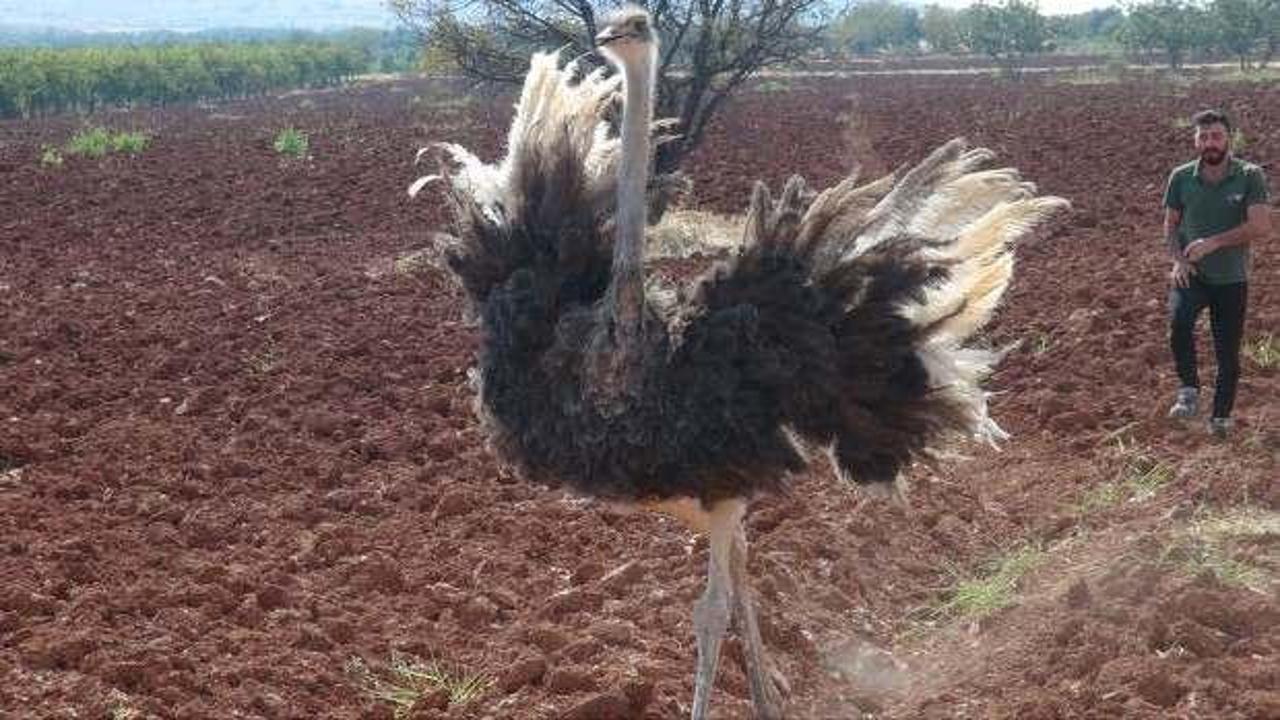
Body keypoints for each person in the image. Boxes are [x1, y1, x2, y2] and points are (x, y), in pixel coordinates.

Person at [1162, 109, 1272, 438]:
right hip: (1191, 273)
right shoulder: (1181, 177)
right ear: (1196, 141)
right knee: (1179, 322)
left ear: (1229, 139)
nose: (1210, 143)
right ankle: (1189, 390)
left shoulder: (1249, 175)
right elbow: (1170, 225)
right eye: (1204, 137)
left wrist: (1214, 242)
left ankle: (1220, 418)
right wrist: (1179, 259)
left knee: (1227, 351)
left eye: (1217, 136)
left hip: (1231, 279)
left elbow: (1261, 225)